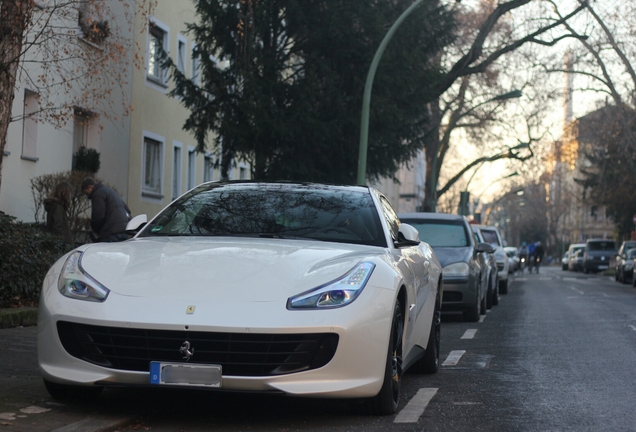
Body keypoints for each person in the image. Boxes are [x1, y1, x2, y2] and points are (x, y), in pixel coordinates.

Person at [81, 177, 131, 242]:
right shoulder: (111, 192)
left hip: (110, 233)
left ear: (90, 187)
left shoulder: (98, 194)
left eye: (86, 192)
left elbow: (98, 216)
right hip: (124, 232)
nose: (87, 196)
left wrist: (94, 228)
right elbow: (127, 210)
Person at [44, 181, 74, 246]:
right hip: (62, 243)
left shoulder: (55, 205)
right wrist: (60, 240)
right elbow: (57, 225)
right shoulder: (58, 207)